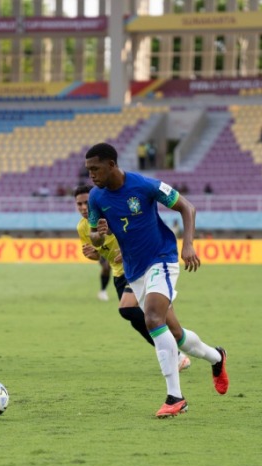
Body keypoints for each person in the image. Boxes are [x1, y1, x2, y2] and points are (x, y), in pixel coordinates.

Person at [84, 143, 228, 418]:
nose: (91, 175)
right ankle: (217, 357)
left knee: (152, 319)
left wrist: (188, 245)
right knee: (177, 335)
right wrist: (99, 236)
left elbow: (187, 207)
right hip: (134, 270)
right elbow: (94, 236)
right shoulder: (95, 197)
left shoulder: (145, 186)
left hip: (162, 258)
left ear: (112, 165)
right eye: (88, 169)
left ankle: (176, 398)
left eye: (96, 168)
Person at [74, 184, 191, 371]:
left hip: (141, 267)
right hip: (120, 275)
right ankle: (178, 355)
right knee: (171, 327)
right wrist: (93, 254)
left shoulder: (112, 216)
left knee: (127, 309)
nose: (83, 208)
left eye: (86, 202)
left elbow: (139, 234)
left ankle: (174, 353)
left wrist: (128, 250)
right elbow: (100, 254)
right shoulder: (83, 228)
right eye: (78, 204)